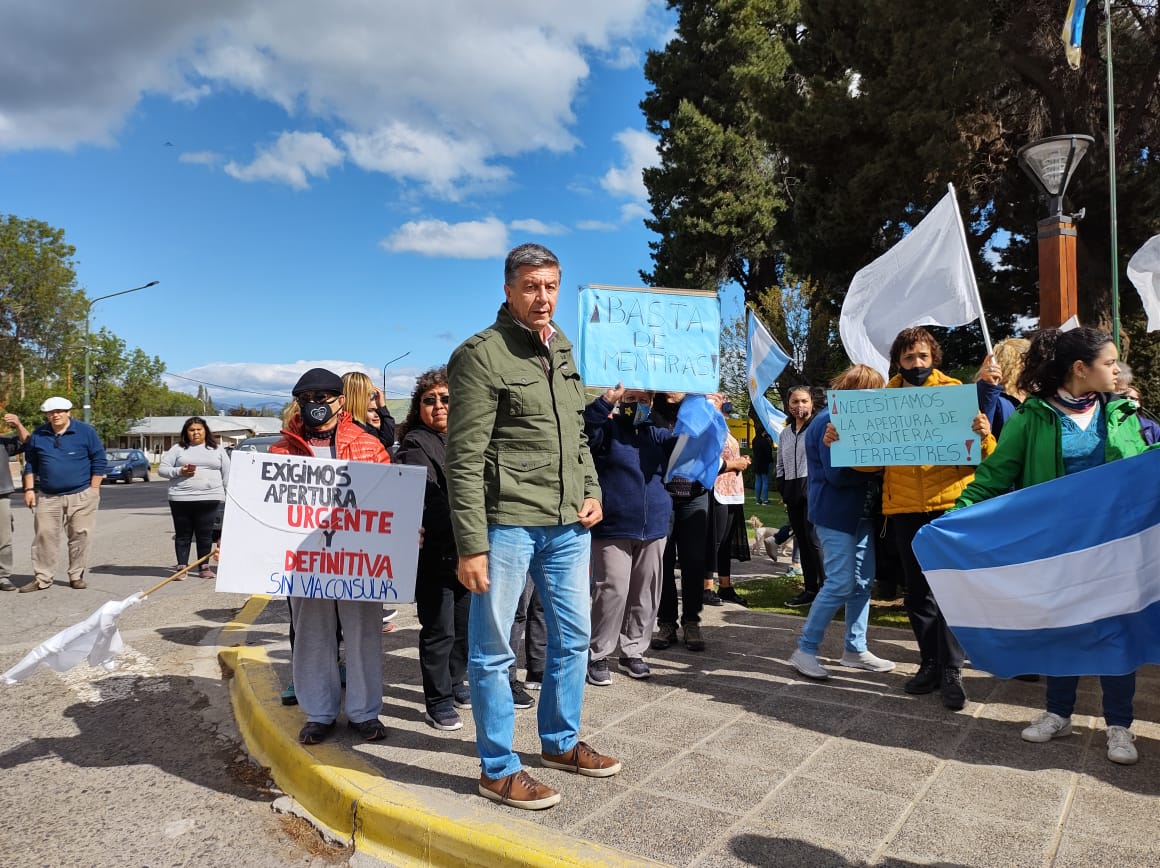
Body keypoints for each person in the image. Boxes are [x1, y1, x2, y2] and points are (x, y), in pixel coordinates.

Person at [446, 242, 617, 811]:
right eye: (530, 287)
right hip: (506, 525)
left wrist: (591, 491)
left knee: (573, 638)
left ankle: (560, 743)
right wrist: (471, 545)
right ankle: (497, 768)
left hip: (567, 525)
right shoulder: (481, 355)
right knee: (494, 650)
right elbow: (464, 459)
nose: (542, 298)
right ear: (508, 290)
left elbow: (576, 434)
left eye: (550, 286)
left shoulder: (561, 346)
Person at [955, 327, 1147, 764]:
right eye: (1109, 362)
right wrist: (955, 518)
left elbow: (1142, 473)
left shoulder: (1121, 413)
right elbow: (994, 476)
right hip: (1058, 548)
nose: (1117, 370)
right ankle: (1059, 713)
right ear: (1080, 368)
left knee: (1116, 633)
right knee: (1063, 629)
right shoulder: (1032, 417)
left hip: (1115, 548)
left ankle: (1119, 725)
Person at [851, 327, 994, 710]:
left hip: (949, 507)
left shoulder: (955, 394)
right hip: (904, 510)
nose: (916, 363)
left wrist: (984, 434)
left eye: (923, 356)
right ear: (898, 360)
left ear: (934, 358)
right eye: (909, 357)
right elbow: (869, 466)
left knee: (952, 590)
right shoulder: (883, 401)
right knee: (917, 592)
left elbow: (986, 456)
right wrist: (843, 443)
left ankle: (952, 669)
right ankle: (929, 663)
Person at [270, 368, 391, 745]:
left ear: (340, 401)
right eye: (306, 399)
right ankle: (319, 713)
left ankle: (364, 712)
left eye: (322, 398)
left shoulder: (369, 446)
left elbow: (389, 499)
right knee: (311, 634)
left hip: (357, 558)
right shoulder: (281, 450)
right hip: (305, 562)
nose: (314, 405)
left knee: (363, 633)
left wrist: (403, 532)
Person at [789, 365, 895, 679]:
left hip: (858, 514)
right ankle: (805, 650)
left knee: (862, 584)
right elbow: (836, 476)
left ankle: (854, 649)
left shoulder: (849, 420)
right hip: (835, 515)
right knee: (839, 583)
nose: (871, 397)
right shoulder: (828, 421)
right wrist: (880, 468)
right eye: (865, 390)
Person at [394, 367, 469, 732]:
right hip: (436, 553)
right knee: (439, 631)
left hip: (468, 551)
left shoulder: (468, 437)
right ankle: (437, 701)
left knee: (464, 628)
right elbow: (426, 496)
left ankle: (455, 683)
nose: (439, 406)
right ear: (418, 407)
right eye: (429, 400)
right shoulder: (415, 444)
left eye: (446, 398)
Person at [584, 384, 674, 685]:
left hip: (654, 527)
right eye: (630, 399)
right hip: (613, 526)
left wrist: (693, 405)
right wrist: (604, 402)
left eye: (643, 400)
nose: (637, 405)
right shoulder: (608, 431)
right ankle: (598, 653)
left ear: (652, 403)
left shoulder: (658, 434)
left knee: (645, 592)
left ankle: (633, 650)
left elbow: (689, 442)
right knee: (612, 589)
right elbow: (584, 431)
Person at [20, 397, 107, 592]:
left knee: (80, 534)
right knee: (44, 535)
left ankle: (76, 575)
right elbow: (31, 464)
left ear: (68, 412)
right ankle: (42, 578)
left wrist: (94, 489)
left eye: (59, 411)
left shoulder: (86, 431)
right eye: (51, 412)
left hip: (82, 493)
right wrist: (29, 490)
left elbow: (99, 459)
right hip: (48, 495)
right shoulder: (39, 434)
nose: (55, 415)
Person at [158, 416, 230, 579]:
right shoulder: (177, 449)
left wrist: (229, 496)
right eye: (192, 430)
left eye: (199, 429)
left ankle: (204, 567)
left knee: (205, 534)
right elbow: (162, 469)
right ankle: (182, 567)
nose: (195, 433)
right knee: (183, 534)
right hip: (181, 498)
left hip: (210, 498)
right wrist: (179, 471)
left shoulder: (217, 449)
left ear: (205, 431)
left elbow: (227, 474)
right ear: (186, 432)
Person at [776, 386, 827, 607]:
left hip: (814, 489)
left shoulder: (818, 427)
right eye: (795, 402)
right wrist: (782, 485)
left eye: (804, 401)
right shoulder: (785, 433)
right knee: (802, 541)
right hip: (792, 490)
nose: (800, 406)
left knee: (815, 540)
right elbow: (780, 463)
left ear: (812, 403)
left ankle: (827, 590)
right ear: (788, 406)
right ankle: (810, 589)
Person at [707, 407, 751, 605]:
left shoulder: (724, 426)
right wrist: (734, 464)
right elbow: (707, 459)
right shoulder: (707, 425)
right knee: (714, 540)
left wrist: (741, 461)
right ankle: (706, 587)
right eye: (719, 399)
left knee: (725, 542)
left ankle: (725, 586)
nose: (725, 402)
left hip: (732, 491)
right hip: (715, 488)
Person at [0, 412, 31, 591]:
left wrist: (18, 424)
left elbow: (27, 442)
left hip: (1, 496)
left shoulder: (3, 442)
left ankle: (2, 576)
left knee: (3, 538)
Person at [342, 370, 396, 453]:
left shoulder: (339, 424)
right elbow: (387, 440)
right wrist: (382, 408)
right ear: (359, 397)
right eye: (369, 394)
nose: (371, 398)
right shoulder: (362, 431)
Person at [751, 426, 774, 504]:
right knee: (765, 481)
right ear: (762, 432)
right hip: (764, 463)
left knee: (758, 481)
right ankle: (765, 500)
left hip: (757, 463)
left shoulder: (754, 440)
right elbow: (768, 453)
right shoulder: (764, 441)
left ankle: (758, 500)